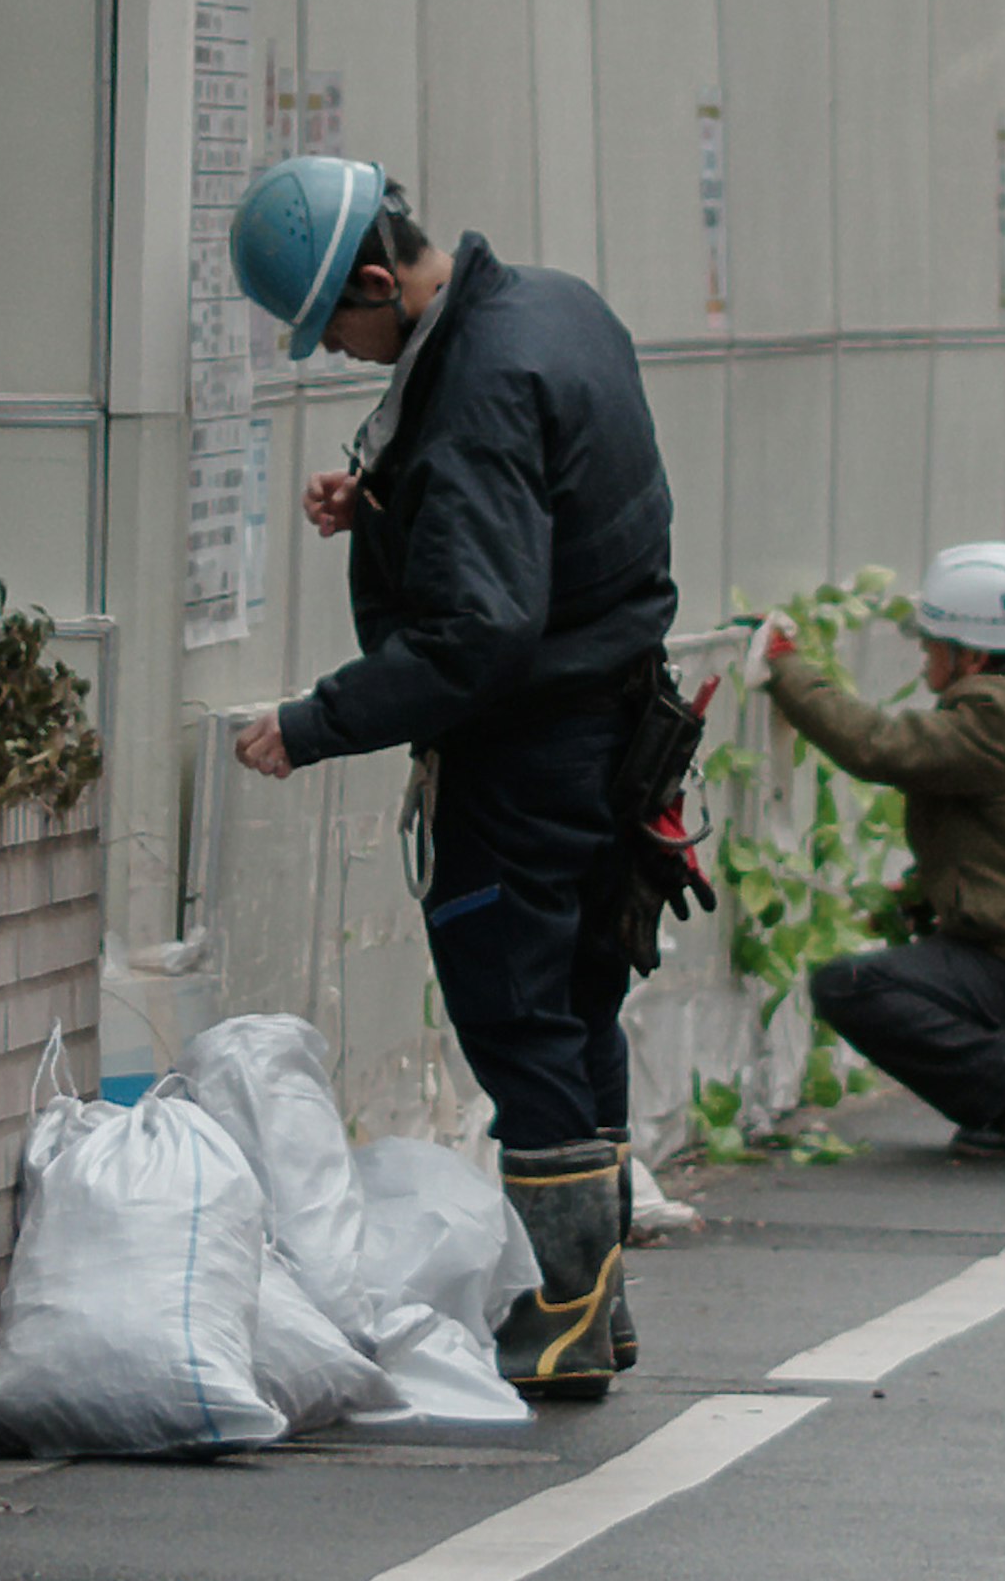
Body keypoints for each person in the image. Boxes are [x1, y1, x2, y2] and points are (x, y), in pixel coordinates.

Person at [224, 155, 674, 1407]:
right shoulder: (554, 306)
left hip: (525, 757)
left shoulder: (474, 380)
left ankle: (573, 1310)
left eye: (342, 331)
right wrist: (384, 500)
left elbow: (479, 633)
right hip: (617, 723)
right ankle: (601, 1299)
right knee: (581, 1002)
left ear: (379, 280)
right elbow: (554, 500)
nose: (346, 354)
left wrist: (313, 723)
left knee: (515, 1011)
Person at [760, 543, 1005, 1160]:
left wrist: (785, 668)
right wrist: (920, 897)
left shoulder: (1002, 713)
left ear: (971, 653)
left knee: (852, 987)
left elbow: (879, 746)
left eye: (931, 645)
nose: (924, 661)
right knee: (919, 969)